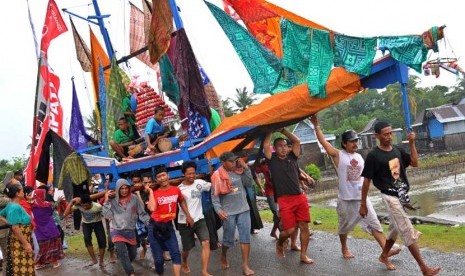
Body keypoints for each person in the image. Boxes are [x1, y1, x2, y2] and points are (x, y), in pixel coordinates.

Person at [311, 114, 401, 259]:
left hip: (361, 198)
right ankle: (344, 248)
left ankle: (386, 249)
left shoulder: (359, 157)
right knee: (344, 226)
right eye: (351, 141)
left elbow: (366, 176)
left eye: (356, 141)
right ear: (344, 144)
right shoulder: (338, 155)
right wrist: (317, 126)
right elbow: (323, 142)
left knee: (374, 223)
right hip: (346, 199)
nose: (355, 144)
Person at [359, 121, 441, 275]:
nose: (389, 137)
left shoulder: (397, 150)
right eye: (385, 134)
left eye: (390, 133)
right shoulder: (373, 156)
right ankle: (424, 269)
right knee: (406, 229)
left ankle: (384, 255)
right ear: (377, 136)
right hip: (389, 196)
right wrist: (363, 204)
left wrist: (412, 143)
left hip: (401, 196)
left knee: (394, 230)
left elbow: (415, 162)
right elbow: (366, 181)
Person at [264, 129, 313, 264]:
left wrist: (283, 130)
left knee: (304, 226)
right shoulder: (271, 160)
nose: (284, 148)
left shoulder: (292, 157)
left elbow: (297, 141)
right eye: (280, 146)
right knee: (289, 230)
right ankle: (280, 242)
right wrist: (269, 129)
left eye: (285, 145)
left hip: (299, 197)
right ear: (275, 148)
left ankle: (303, 256)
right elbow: (266, 146)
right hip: (284, 199)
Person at [211, 152, 254, 276]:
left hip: (243, 209)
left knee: (245, 238)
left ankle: (245, 265)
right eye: (230, 161)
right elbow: (214, 197)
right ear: (223, 162)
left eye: (235, 160)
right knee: (228, 240)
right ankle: (224, 254)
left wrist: (246, 168)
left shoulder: (240, 172)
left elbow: (249, 184)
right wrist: (219, 211)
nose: (234, 163)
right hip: (228, 213)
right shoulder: (216, 176)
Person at [146, 166, 193, 276]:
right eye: (159, 177)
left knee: (176, 253)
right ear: (156, 180)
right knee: (158, 260)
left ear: (168, 176)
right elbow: (152, 208)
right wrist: (150, 192)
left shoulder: (175, 190)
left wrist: (188, 216)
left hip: (168, 226)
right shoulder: (155, 193)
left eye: (163, 175)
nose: (162, 178)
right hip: (155, 227)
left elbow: (181, 201)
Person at [102, 178, 150, 276]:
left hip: (130, 230)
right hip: (116, 230)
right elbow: (107, 216)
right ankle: (130, 272)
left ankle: (125, 263)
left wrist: (149, 223)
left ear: (129, 188)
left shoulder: (134, 198)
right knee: (122, 253)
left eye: (126, 188)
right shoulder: (112, 200)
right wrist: (106, 202)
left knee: (133, 253)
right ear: (118, 189)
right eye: (121, 188)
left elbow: (142, 212)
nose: (124, 190)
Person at [178, 161, 212, 276]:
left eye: (193, 173)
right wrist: (188, 217)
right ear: (183, 174)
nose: (192, 176)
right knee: (187, 248)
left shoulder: (200, 183)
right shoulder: (180, 189)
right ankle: (184, 262)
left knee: (206, 242)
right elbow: (181, 205)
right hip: (185, 222)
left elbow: (212, 185)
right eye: (189, 174)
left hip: (199, 219)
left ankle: (204, 271)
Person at [0, 183, 35, 275]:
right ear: (17, 193)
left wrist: (9, 222)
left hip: (19, 238)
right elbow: (15, 227)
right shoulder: (14, 207)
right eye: (22, 191)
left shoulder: (11, 205)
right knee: (23, 266)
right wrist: (26, 244)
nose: (24, 193)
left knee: (20, 264)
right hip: (20, 239)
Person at [65, 194, 107, 268]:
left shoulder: (97, 207)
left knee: (102, 240)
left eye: (86, 205)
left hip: (97, 222)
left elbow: (106, 213)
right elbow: (66, 213)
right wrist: (71, 202)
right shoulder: (79, 205)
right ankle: (94, 260)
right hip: (86, 224)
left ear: (90, 203)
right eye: (83, 205)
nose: (84, 207)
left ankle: (101, 261)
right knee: (87, 239)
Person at [32, 188, 64, 270]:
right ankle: (55, 263)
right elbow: (51, 211)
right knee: (53, 245)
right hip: (50, 228)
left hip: (39, 230)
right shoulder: (47, 204)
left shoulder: (32, 205)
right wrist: (58, 201)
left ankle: (38, 264)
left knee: (42, 247)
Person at [253, 159, 280, 239]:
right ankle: (283, 234)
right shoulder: (263, 164)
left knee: (279, 214)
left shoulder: (278, 161)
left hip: (280, 190)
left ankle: (273, 232)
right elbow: (254, 170)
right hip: (270, 191)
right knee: (276, 212)